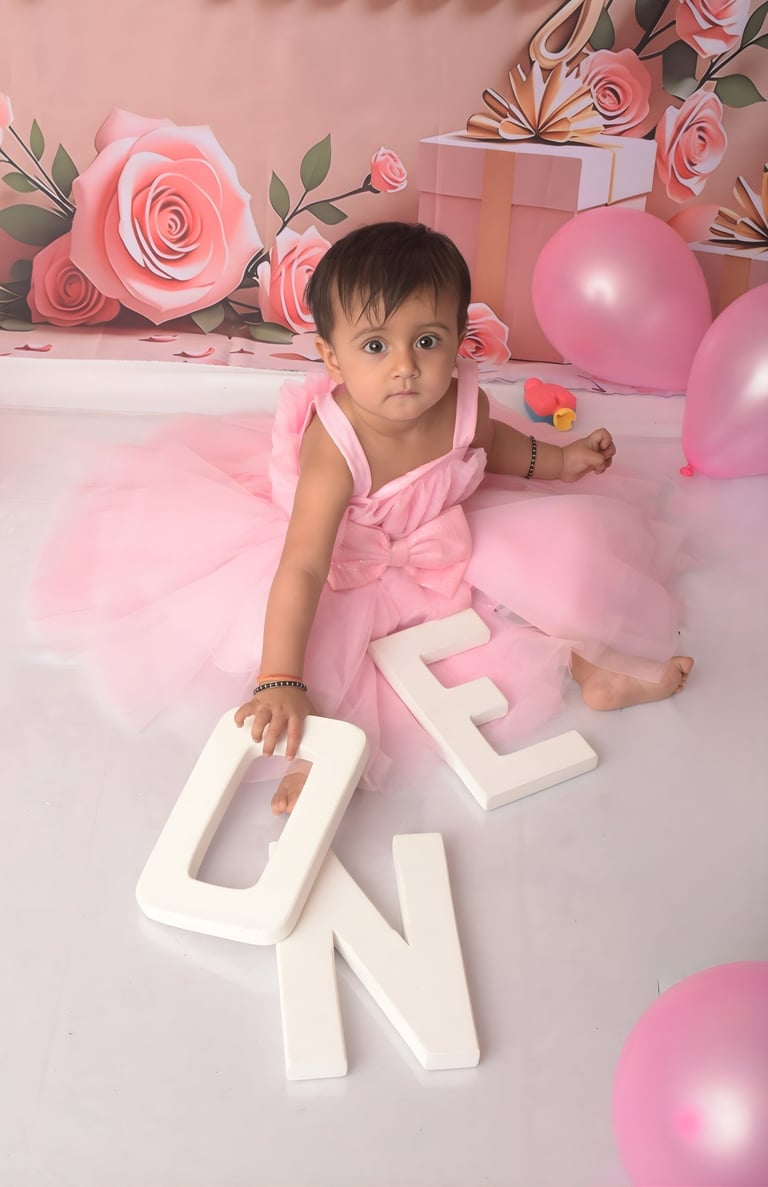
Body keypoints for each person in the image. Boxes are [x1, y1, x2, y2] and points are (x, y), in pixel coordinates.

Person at [30, 222, 692, 815]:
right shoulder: (336, 445)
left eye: (426, 341)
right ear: (333, 357)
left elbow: (499, 448)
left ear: (458, 342)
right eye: (375, 346)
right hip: (341, 559)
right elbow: (305, 564)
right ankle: (314, 755)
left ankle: (588, 668)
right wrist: (278, 677)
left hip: (432, 539)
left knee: (523, 587)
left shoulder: (461, 402)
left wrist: (561, 461)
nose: (405, 368)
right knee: (335, 650)